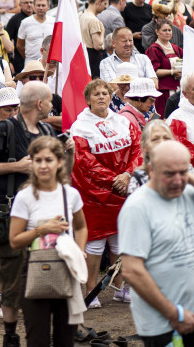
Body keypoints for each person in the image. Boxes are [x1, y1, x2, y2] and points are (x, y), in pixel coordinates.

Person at [118, 140, 194, 346]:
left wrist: (190, 177)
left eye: (182, 172)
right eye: (169, 173)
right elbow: (132, 271)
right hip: (163, 321)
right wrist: (174, 314)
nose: (176, 180)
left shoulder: (188, 192)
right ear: (151, 170)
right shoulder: (137, 207)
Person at [0, 82, 57, 345]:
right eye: (50, 100)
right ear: (40, 104)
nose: (53, 105)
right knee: (12, 280)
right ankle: (10, 334)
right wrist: (16, 166)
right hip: (9, 216)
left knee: (42, 275)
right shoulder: (5, 128)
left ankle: (39, 329)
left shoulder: (45, 129)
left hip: (42, 215)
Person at [9, 135, 88, 347]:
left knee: (66, 339)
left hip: (67, 270)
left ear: (60, 162)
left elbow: (81, 227)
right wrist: (42, 230)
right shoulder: (25, 197)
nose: (43, 166)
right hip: (35, 270)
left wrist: (80, 251)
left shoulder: (70, 195)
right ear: (32, 162)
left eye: (48, 160)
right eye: (38, 160)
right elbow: (15, 241)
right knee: (37, 339)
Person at [70, 78, 143, 306]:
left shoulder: (122, 121)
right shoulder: (80, 126)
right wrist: (114, 179)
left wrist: (128, 174)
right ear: (88, 99)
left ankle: (119, 287)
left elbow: (138, 148)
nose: (101, 97)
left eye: (105, 93)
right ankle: (91, 289)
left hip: (124, 189)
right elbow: (84, 162)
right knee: (95, 242)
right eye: (96, 94)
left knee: (121, 240)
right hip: (95, 195)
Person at [146, 20, 182, 111]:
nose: (167, 33)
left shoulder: (176, 48)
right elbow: (153, 71)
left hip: (178, 88)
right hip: (163, 92)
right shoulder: (153, 49)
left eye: (169, 30)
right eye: (164, 30)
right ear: (157, 31)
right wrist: (172, 72)